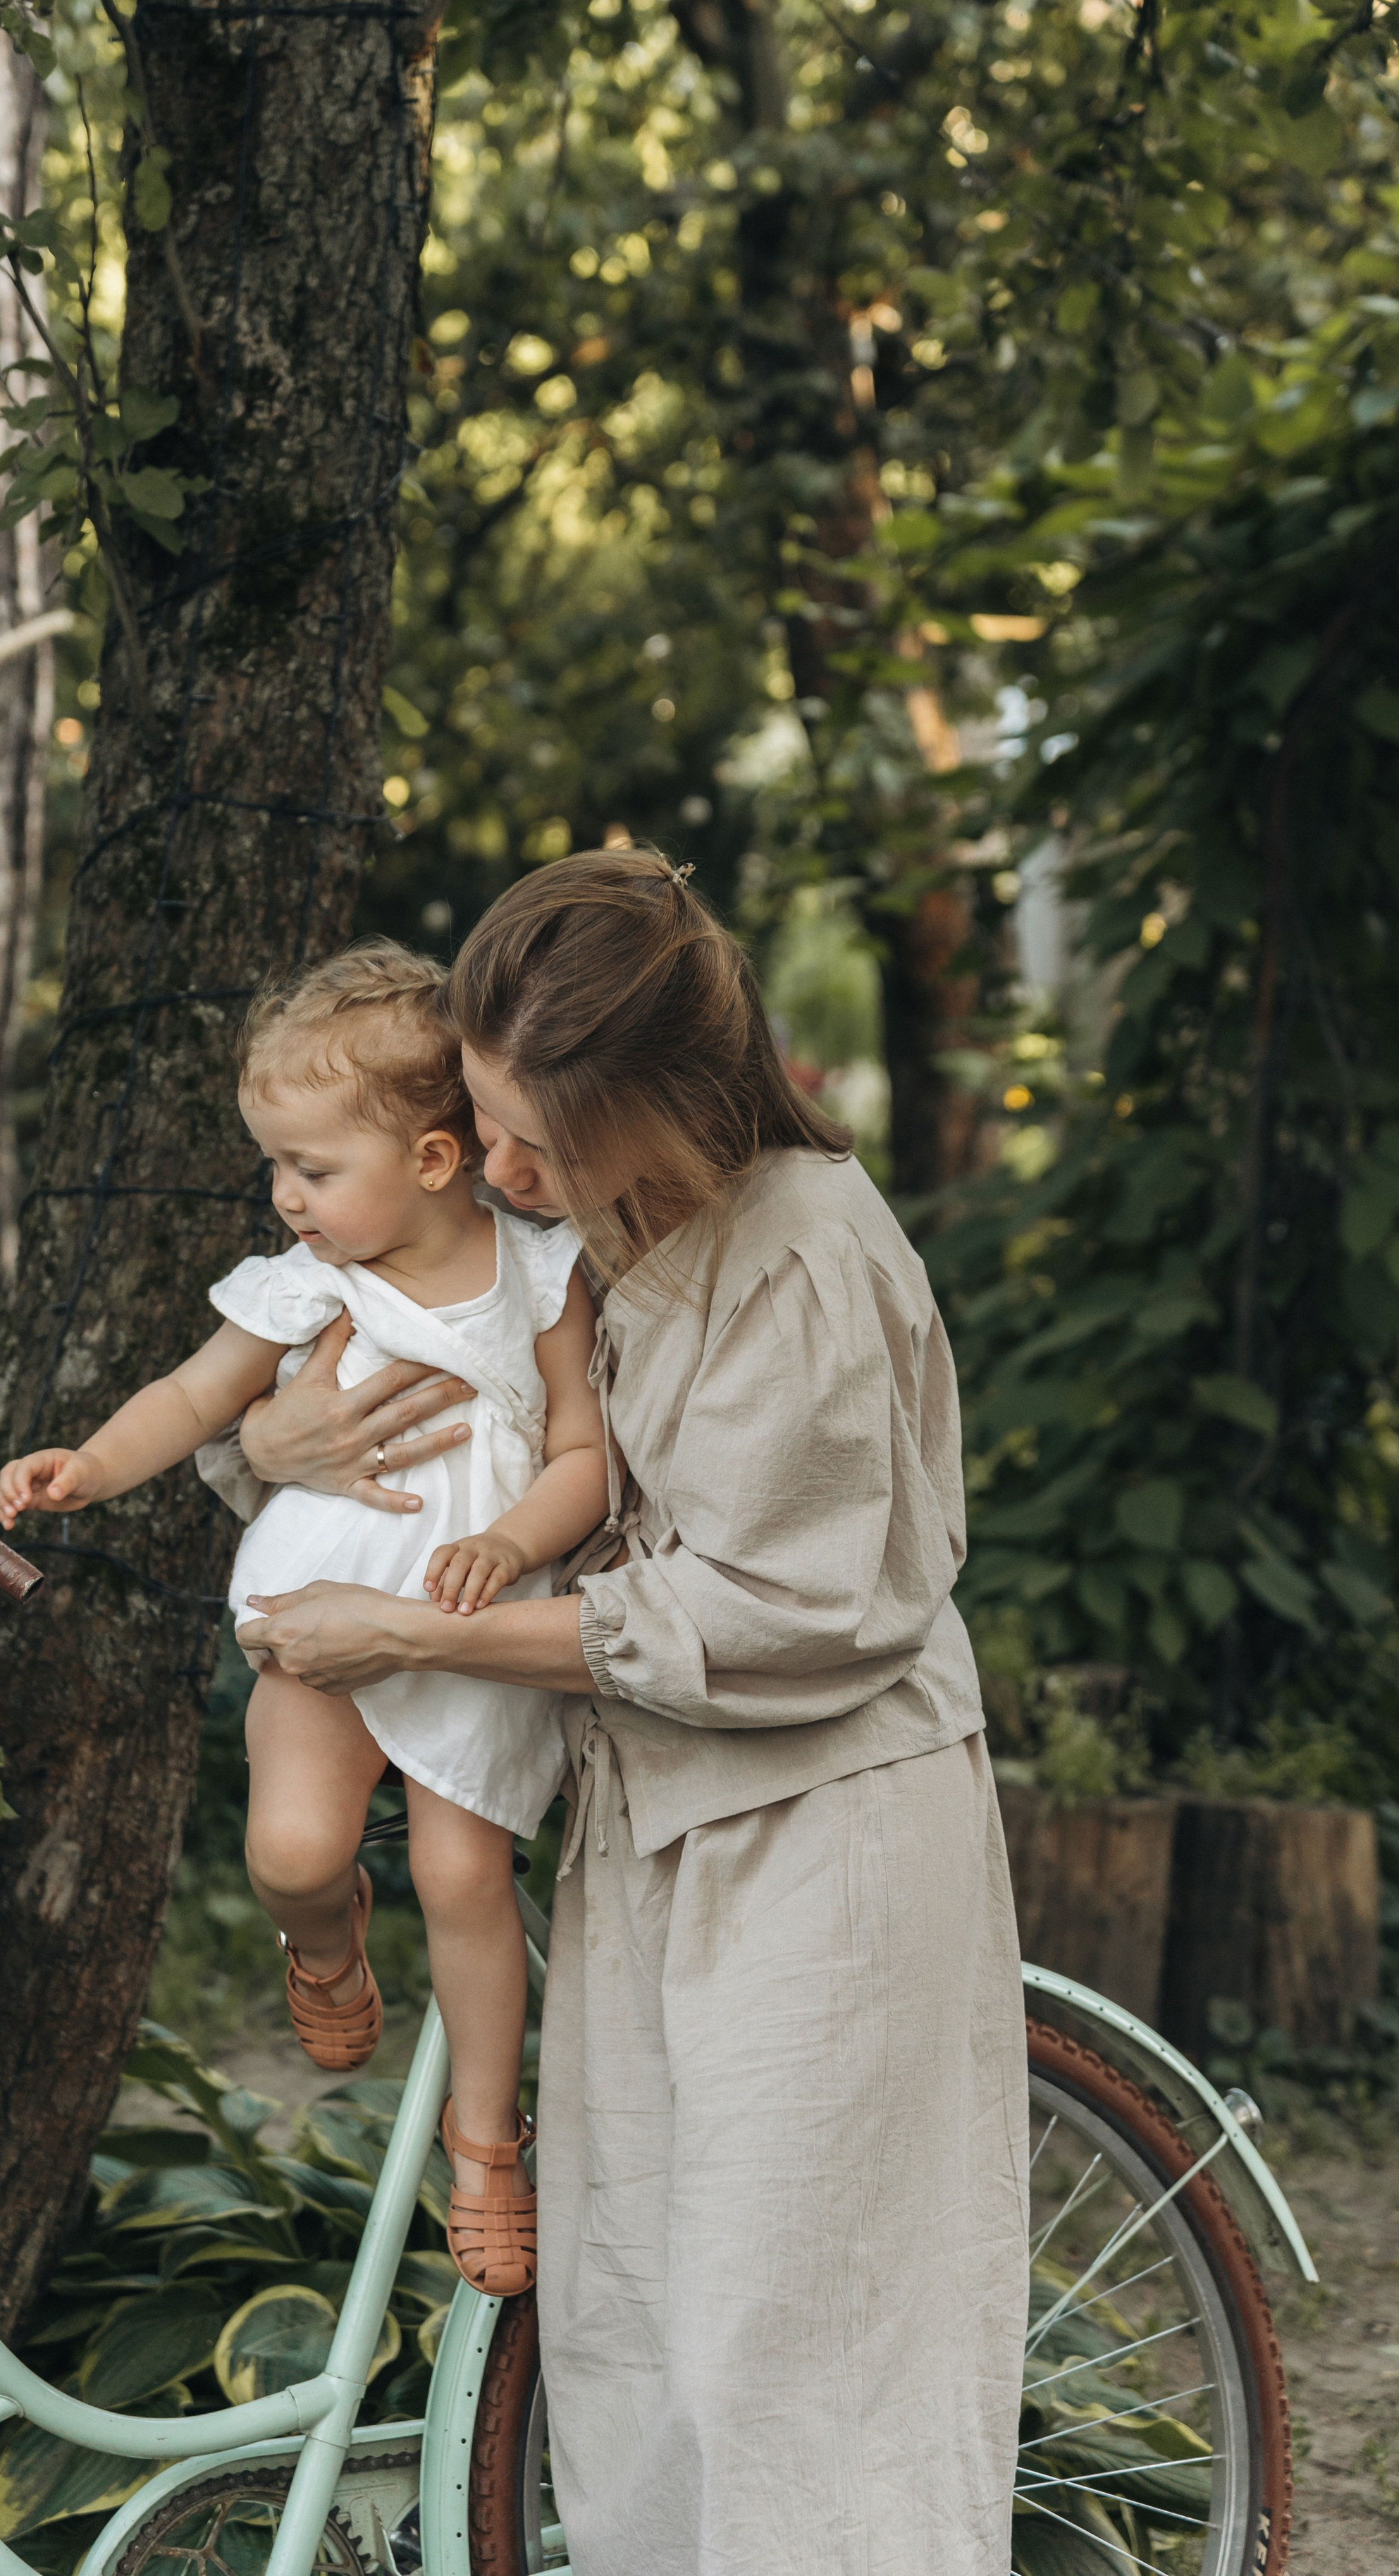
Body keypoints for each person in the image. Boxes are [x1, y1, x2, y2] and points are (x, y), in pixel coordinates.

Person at [216, 851, 1031, 2576]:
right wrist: (265, 1450)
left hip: (818, 1833)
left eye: (534, 1141)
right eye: (490, 1131)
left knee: (782, 2356)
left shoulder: (797, 1255)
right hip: (645, 1824)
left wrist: (412, 1643)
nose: (501, 1174)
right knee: (631, 2333)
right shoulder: (595, 1222)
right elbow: (429, 1453)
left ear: (654, 1102)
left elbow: (774, 1613)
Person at [0, 943, 611, 2298]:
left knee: (466, 1882)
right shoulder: (309, 1282)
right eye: (276, 1166)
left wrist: (511, 1541)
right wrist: (90, 1465)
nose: (286, 1197)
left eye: (313, 1170)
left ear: (440, 1158)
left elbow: (585, 1455)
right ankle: (326, 1948)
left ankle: (485, 2144)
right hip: (310, 1628)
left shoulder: (540, 1278)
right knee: (287, 1851)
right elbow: (195, 1395)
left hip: (475, 1627)